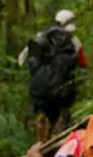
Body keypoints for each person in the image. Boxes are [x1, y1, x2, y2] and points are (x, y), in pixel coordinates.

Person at [18, 10, 89, 139]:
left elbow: (21, 59)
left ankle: (41, 136)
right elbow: (83, 63)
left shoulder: (39, 37)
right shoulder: (73, 40)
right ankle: (57, 133)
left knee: (41, 111)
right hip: (61, 89)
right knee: (61, 110)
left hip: (39, 87)